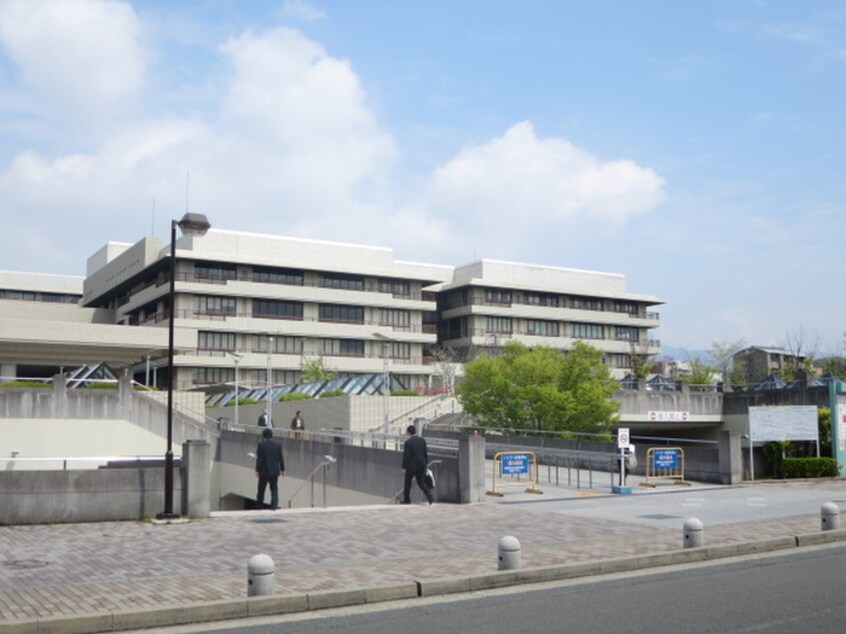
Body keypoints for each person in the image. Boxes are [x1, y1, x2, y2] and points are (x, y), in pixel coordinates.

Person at [401, 424, 434, 505]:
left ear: (409, 432)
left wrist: (403, 467)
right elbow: (425, 453)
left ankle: (407, 499)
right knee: (421, 482)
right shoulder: (422, 440)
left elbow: (406, 456)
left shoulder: (408, 442)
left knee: (407, 483)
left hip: (411, 466)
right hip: (421, 464)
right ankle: (430, 497)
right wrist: (426, 463)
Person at [255, 428, 285, 509]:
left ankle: (259, 506)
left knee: (261, 489)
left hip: (264, 471)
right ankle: (274, 505)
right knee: (274, 488)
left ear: (263, 436)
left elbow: (259, 460)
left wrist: (257, 470)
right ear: (272, 436)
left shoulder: (261, 445)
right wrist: (283, 469)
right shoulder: (278, 445)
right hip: (275, 471)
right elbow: (281, 458)